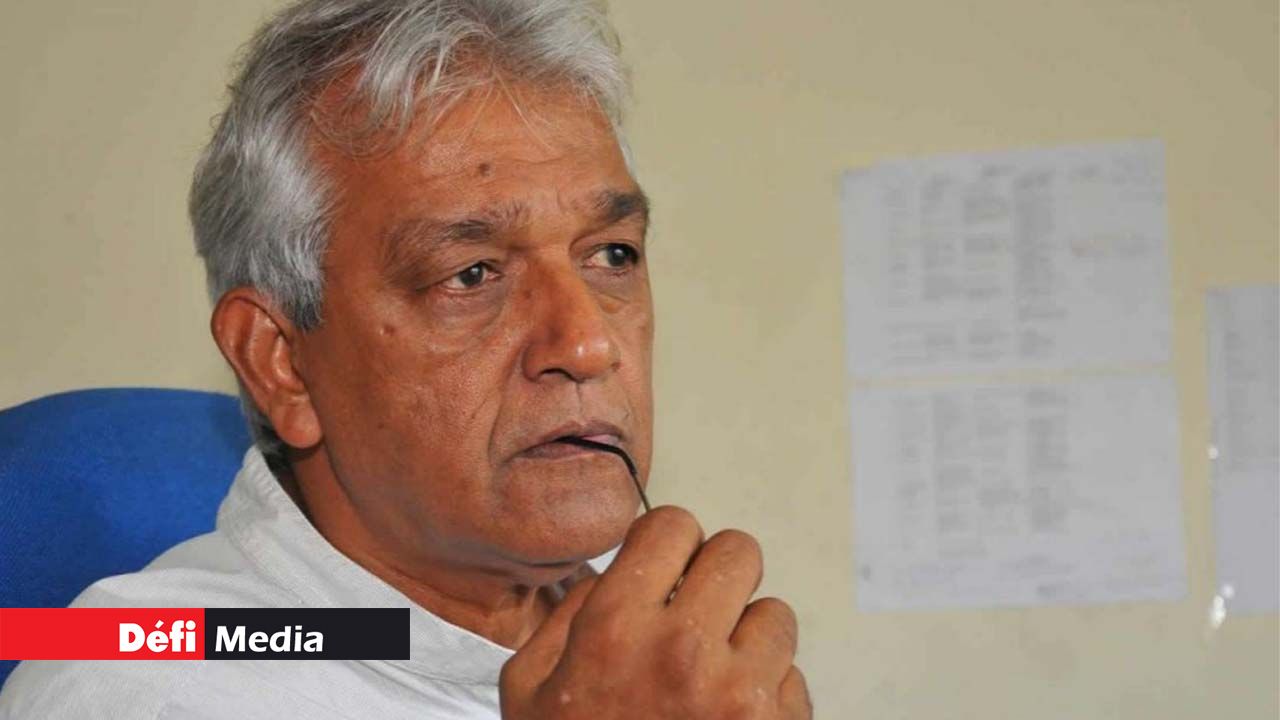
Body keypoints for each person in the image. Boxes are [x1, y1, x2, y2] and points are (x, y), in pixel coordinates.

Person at [0, 1, 810, 718]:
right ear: (281, 362)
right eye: (472, 274)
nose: (588, 344)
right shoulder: (139, 688)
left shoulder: (666, 642)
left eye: (612, 256)